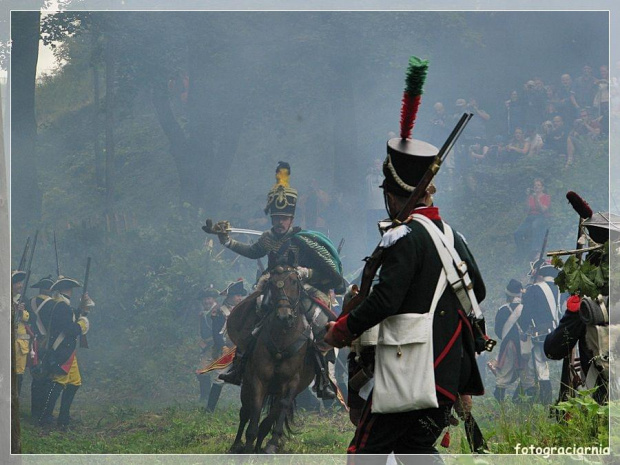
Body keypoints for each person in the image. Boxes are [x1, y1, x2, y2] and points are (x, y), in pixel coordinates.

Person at [324, 133, 486, 456]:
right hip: (446, 377)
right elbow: (477, 290)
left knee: (364, 452)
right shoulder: (452, 236)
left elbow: (385, 300)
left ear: (394, 198)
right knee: (415, 449)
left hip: (408, 373)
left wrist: (342, 330)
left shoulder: (405, 236)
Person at [204, 162, 344, 399]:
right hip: (271, 284)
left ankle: (323, 377)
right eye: (277, 218)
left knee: (320, 320)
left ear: (291, 219)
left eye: (285, 218)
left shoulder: (303, 240)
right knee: (250, 313)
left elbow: (325, 273)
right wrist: (226, 241)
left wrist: (305, 273)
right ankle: (239, 366)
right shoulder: (268, 238)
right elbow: (251, 251)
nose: (280, 222)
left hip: (302, 286)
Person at [38, 276, 93, 430]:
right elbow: (69, 329)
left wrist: (83, 310)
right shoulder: (62, 306)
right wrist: (82, 324)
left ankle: (63, 417)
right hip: (62, 351)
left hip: (67, 352)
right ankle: (45, 417)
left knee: (74, 383)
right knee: (58, 383)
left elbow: (72, 316)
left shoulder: (62, 306)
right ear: (67, 290)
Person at [520, 261, 561, 405]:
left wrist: (523, 328)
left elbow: (526, 313)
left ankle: (546, 401)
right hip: (556, 330)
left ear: (540, 274)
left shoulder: (534, 289)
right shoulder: (558, 289)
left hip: (540, 333)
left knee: (541, 366)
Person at [489, 279, 536, 402]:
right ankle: (528, 405)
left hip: (508, 345)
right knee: (527, 375)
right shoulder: (526, 308)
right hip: (524, 345)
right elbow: (529, 326)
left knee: (503, 375)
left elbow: (498, 331)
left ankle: (500, 405)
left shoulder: (502, 310)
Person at [205, 280, 247, 412]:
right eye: (237, 295)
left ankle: (248, 407)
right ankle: (209, 409)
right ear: (229, 296)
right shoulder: (220, 312)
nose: (239, 298)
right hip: (227, 350)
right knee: (219, 378)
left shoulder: (244, 311)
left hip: (242, 349)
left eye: (240, 295)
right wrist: (223, 347)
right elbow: (216, 333)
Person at [28, 275, 56, 420]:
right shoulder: (52, 304)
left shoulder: (30, 301)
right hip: (46, 343)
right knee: (46, 378)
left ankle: (35, 412)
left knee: (36, 377)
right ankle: (42, 414)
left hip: (33, 342)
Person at [514, 178, 550, 260]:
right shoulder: (531, 197)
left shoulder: (546, 197)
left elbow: (543, 210)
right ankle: (521, 252)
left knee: (536, 225)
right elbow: (527, 210)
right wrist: (527, 197)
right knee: (517, 233)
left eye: (538, 185)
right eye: (535, 185)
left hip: (541, 216)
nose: (536, 187)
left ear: (542, 187)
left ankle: (536, 251)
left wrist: (536, 199)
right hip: (530, 217)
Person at [196, 287, 219, 403]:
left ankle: (206, 399)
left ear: (213, 299)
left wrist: (208, 342)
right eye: (204, 299)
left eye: (209, 298)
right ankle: (206, 398)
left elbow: (221, 332)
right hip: (209, 347)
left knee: (203, 371)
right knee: (202, 372)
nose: (206, 301)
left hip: (219, 346)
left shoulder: (219, 311)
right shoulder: (203, 314)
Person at [11, 270, 31, 396]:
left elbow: (32, 318)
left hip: (20, 346)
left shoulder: (24, 299)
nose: (20, 285)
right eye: (17, 282)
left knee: (18, 376)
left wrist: (21, 312)